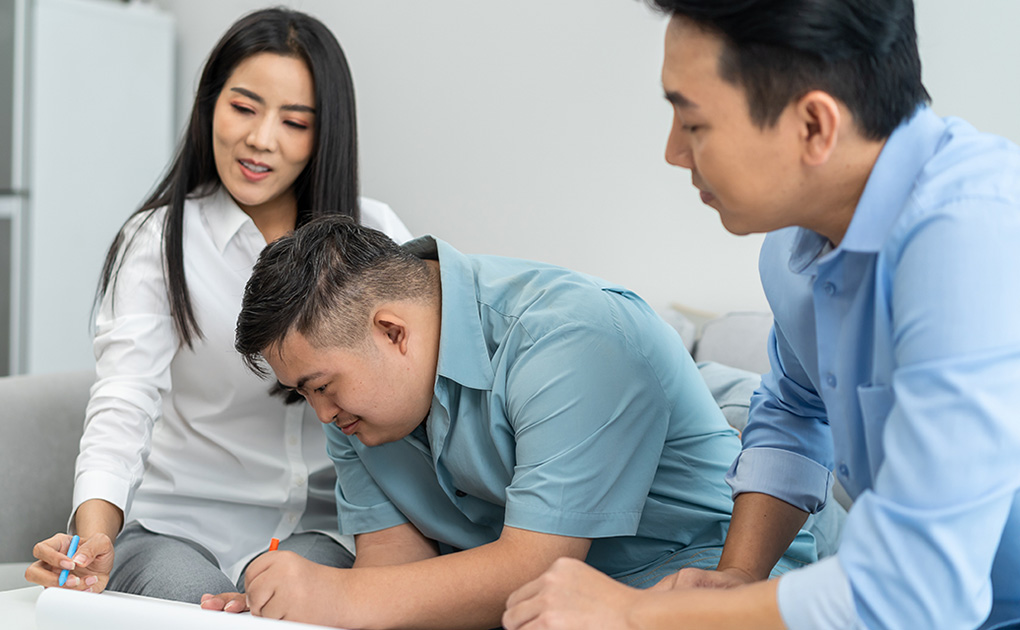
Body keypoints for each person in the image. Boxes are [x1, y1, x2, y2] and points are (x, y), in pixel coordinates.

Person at [502, 1, 1020, 629]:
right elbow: (795, 412)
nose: (673, 151)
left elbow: (913, 591)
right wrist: (739, 577)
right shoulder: (795, 246)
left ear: (812, 126)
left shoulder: (970, 234)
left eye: (692, 124)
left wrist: (633, 614)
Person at [223, 215, 821, 629]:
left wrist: (336, 595)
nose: (323, 413)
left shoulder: (566, 336)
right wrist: (294, 604)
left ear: (392, 331)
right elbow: (394, 574)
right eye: (306, 394)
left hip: (708, 579)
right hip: (544, 606)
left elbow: (537, 562)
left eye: (322, 387)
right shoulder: (355, 408)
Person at [25, 7, 412, 605]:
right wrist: (93, 537)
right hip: (173, 531)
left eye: (294, 121)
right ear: (210, 104)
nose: (261, 139)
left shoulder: (375, 230)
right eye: (243, 107)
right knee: (188, 599)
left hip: (320, 531)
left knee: (304, 601)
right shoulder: (157, 241)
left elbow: (412, 391)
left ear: (325, 131)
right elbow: (123, 404)